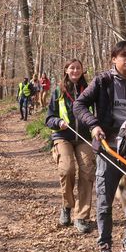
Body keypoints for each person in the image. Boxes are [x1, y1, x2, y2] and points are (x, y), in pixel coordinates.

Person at [73, 40, 126, 252]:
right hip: (108, 149)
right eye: (123, 55)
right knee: (105, 200)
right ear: (113, 58)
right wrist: (94, 125)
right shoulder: (102, 81)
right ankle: (105, 246)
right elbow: (79, 105)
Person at [45, 59, 96, 234]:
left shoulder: (89, 90)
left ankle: (81, 216)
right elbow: (48, 118)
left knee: (87, 171)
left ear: (82, 71)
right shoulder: (58, 91)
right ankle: (67, 206)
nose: (75, 70)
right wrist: (57, 122)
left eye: (78, 68)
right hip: (62, 136)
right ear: (66, 70)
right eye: (71, 68)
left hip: (84, 137)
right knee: (67, 170)